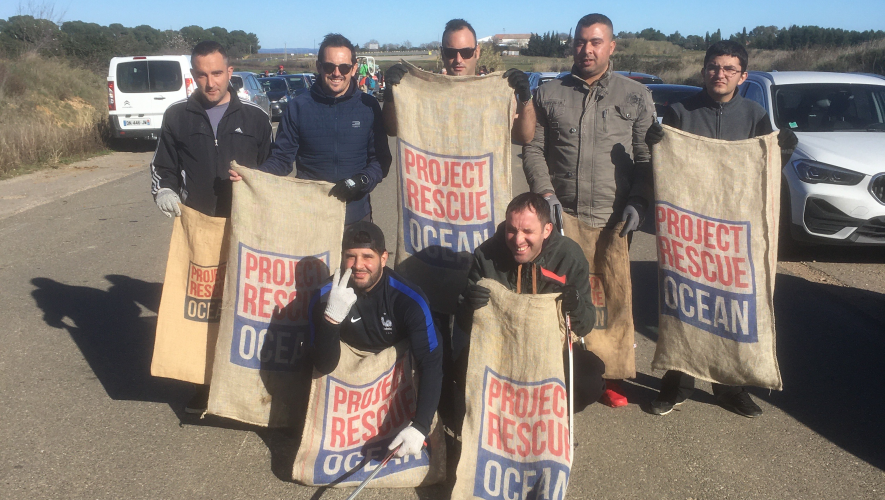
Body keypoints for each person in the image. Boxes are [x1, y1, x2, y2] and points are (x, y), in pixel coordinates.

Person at [646, 40, 798, 418]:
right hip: (689, 225)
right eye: (714, 67)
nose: (721, 74)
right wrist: (657, 144)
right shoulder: (680, 111)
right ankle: (677, 382)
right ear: (704, 71)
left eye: (730, 69)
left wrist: (785, 150)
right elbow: (667, 167)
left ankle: (730, 387)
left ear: (743, 76)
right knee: (683, 299)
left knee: (731, 304)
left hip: (734, 228)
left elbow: (764, 169)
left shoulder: (754, 114)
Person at [522, 13, 657, 408]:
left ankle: (611, 377)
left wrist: (639, 202)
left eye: (596, 42)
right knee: (561, 297)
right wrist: (544, 193)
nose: (587, 49)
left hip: (614, 218)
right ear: (572, 44)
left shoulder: (634, 96)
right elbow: (532, 148)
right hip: (562, 215)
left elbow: (648, 157)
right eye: (581, 41)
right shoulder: (549, 94)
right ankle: (562, 369)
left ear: (612, 46)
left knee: (612, 298)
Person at [150, 40, 272, 413]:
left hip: (246, 229)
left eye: (217, 73)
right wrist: (165, 192)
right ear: (193, 75)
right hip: (200, 230)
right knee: (206, 312)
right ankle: (206, 386)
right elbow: (162, 168)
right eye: (201, 74)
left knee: (248, 309)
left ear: (230, 72)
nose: (210, 81)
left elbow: (275, 171)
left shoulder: (255, 117)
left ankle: (252, 387)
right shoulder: (177, 116)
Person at [454, 192, 606, 424]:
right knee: (459, 370)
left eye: (527, 231)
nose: (517, 239)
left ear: (546, 230)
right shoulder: (486, 255)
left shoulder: (569, 256)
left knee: (589, 380)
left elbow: (584, 326)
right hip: (499, 351)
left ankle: (546, 422)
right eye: (512, 230)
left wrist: (575, 305)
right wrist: (468, 306)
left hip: (550, 353)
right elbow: (466, 325)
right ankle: (496, 424)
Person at [310, 221, 442, 458]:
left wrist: (421, 425)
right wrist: (331, 319)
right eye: (350, 256)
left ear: (383, 258)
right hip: (349, 374)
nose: (358, 266)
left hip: (395, 375)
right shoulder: (324, 295)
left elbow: (431, 362)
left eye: (367, 257)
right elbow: (323, 365)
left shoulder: (409, 300)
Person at [232, 33, 392, 226]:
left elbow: (381, 160)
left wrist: (362, 180)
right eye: (329, 66)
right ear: (318, 67)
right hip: (311, 216)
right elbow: (282, 160)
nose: (336, 73)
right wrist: (253, 176)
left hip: (356, 214)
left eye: (344, 67)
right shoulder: (298, 107)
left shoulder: (369, 106)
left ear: (354, 68)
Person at [381, 18, 536, 145]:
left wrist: (525, 99)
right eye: (450, 52)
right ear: (442, 53)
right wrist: (389, 97)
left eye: (466, 52)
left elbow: (525, 137)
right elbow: (392, 130)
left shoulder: (496, 95)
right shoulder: (423, 94)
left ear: (477, 52)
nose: (458, 59)